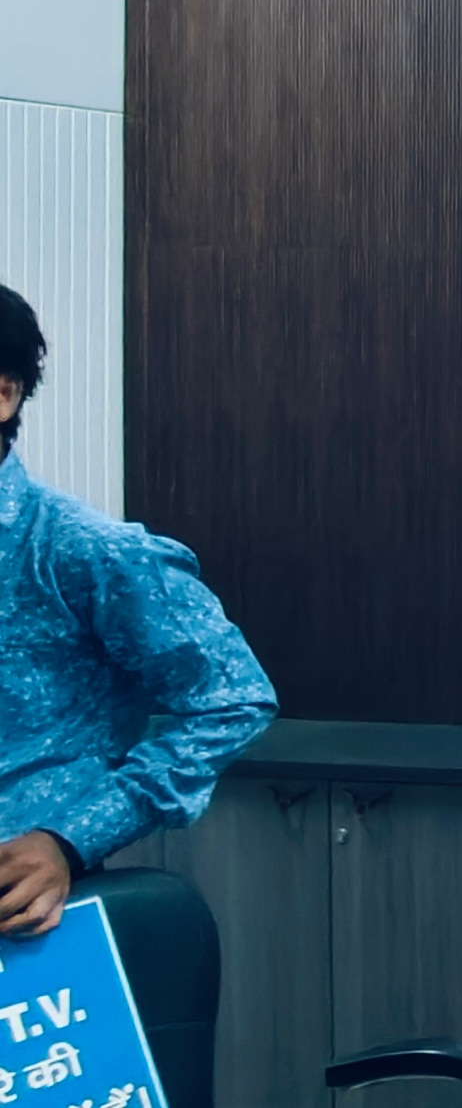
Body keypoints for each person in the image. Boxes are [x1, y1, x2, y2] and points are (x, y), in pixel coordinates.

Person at [0, 283, 277, 936]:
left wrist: (71, 838)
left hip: (22, 916)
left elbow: (234, 699)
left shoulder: (88, 550)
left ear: (3, 394)